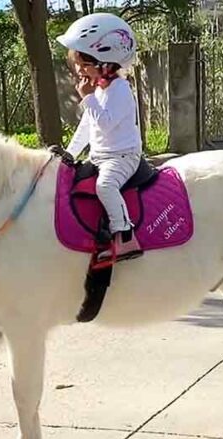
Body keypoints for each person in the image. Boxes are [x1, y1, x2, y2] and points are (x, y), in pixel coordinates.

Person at [57, 13, 143, 262]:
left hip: (122, 156)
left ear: (106, 62)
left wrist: (87, 97)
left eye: (84, 64)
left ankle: (125, 236)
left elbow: (104, 125)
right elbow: (88, 125)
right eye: (78, 64)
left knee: (104, 186)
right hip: (100, 156)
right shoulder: (101, 90)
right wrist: (70, 154)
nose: (78, 70)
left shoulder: (120, 91)